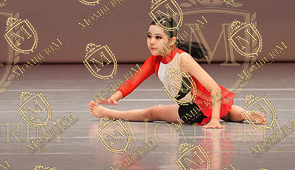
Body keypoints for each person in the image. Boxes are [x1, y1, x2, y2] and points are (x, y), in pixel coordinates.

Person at [89, 16, 267, 129]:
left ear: (171, 41)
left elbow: (214, 88)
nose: (152, 42)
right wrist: (114, 97)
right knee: (227, 113)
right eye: (149, 36)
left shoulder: (182, 59)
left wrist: (214, 121)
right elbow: (133, 81)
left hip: (193, 109)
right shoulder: (154, 61)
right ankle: (244, 114)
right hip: (207, 104)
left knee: (152, 113)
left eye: (158, 37)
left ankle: (110, 114)